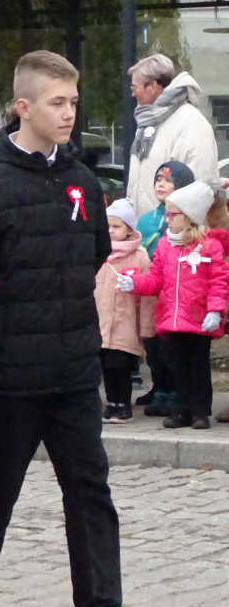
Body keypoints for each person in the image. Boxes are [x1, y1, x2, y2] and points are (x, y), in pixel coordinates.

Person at [0, 50, 159, 607]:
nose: (69, 114)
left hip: (71, 367)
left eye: (73, 102)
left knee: (90, 492)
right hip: (8, 372)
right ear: (24, 106)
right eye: (57, 103)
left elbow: (92, 254)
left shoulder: (83, 180)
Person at [119, 181, 228, 430]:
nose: (167, 219)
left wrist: (215, 309)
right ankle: (181, 411)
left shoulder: (210, 246)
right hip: (173, 319)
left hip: (199, 318)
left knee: (198, 367)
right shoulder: (166, 246)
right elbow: (156, 278)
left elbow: (219, 281)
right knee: (178, 367)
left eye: (172, 214)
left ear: (189, 216)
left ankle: (200, 411)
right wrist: (134, 283)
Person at [126, 55, 220, 223]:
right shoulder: (147, 121)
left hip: (173, 237)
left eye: (135, 87)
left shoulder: (191, 124)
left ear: (153, 86)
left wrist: (176, 233)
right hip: (145, 233)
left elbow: (200, 187)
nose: (132, 94)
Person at [135, 162, 194, 417]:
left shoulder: (191, 219)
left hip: (176, 290)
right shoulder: (147, 219)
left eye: (168, 179)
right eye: (158, 178)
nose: (160, 183)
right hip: (151, 290)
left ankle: (175, 391)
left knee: (171, 346)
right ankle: (160, 387)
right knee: (152, 343)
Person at [95, 198, 155, 424]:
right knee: (105, 366)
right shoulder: (99, 253)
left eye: (116, 226)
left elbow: (148, 296)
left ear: (129, 229)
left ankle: (123, 405)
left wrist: (147, 327)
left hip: (125, 322)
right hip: (99, 322)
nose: (110, 231)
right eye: (107, 226)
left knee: (120, 365)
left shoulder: (139, 256)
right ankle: (111, 404)